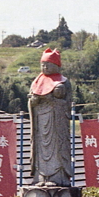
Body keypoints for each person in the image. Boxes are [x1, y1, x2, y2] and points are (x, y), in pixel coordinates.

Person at [29, 48, 73, 187]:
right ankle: (40, 177)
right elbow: (30, 101)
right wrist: (33, 101)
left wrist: (53, 100)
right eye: (43, 64)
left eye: (48, 64)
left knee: (56, 149)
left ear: (57, 65)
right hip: (40, 123)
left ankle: (57, 177)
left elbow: (66, 105)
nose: (45, 67)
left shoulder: (64, 82)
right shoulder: (36, 81)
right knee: (40, 149)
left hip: (56, 123)